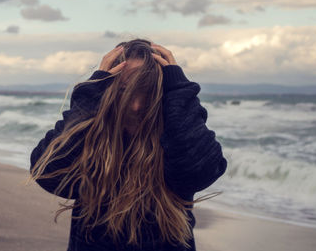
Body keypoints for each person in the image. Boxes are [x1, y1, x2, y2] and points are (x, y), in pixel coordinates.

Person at [29, 39, 227, 251]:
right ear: (109, 91)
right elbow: (47, 173)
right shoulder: (92, 139)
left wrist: (178, 90)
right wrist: (90, 96)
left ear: (162, 92)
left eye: (148, 91)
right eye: (125, 90)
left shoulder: (175, 141)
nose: (136, 105)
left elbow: (202, 173)